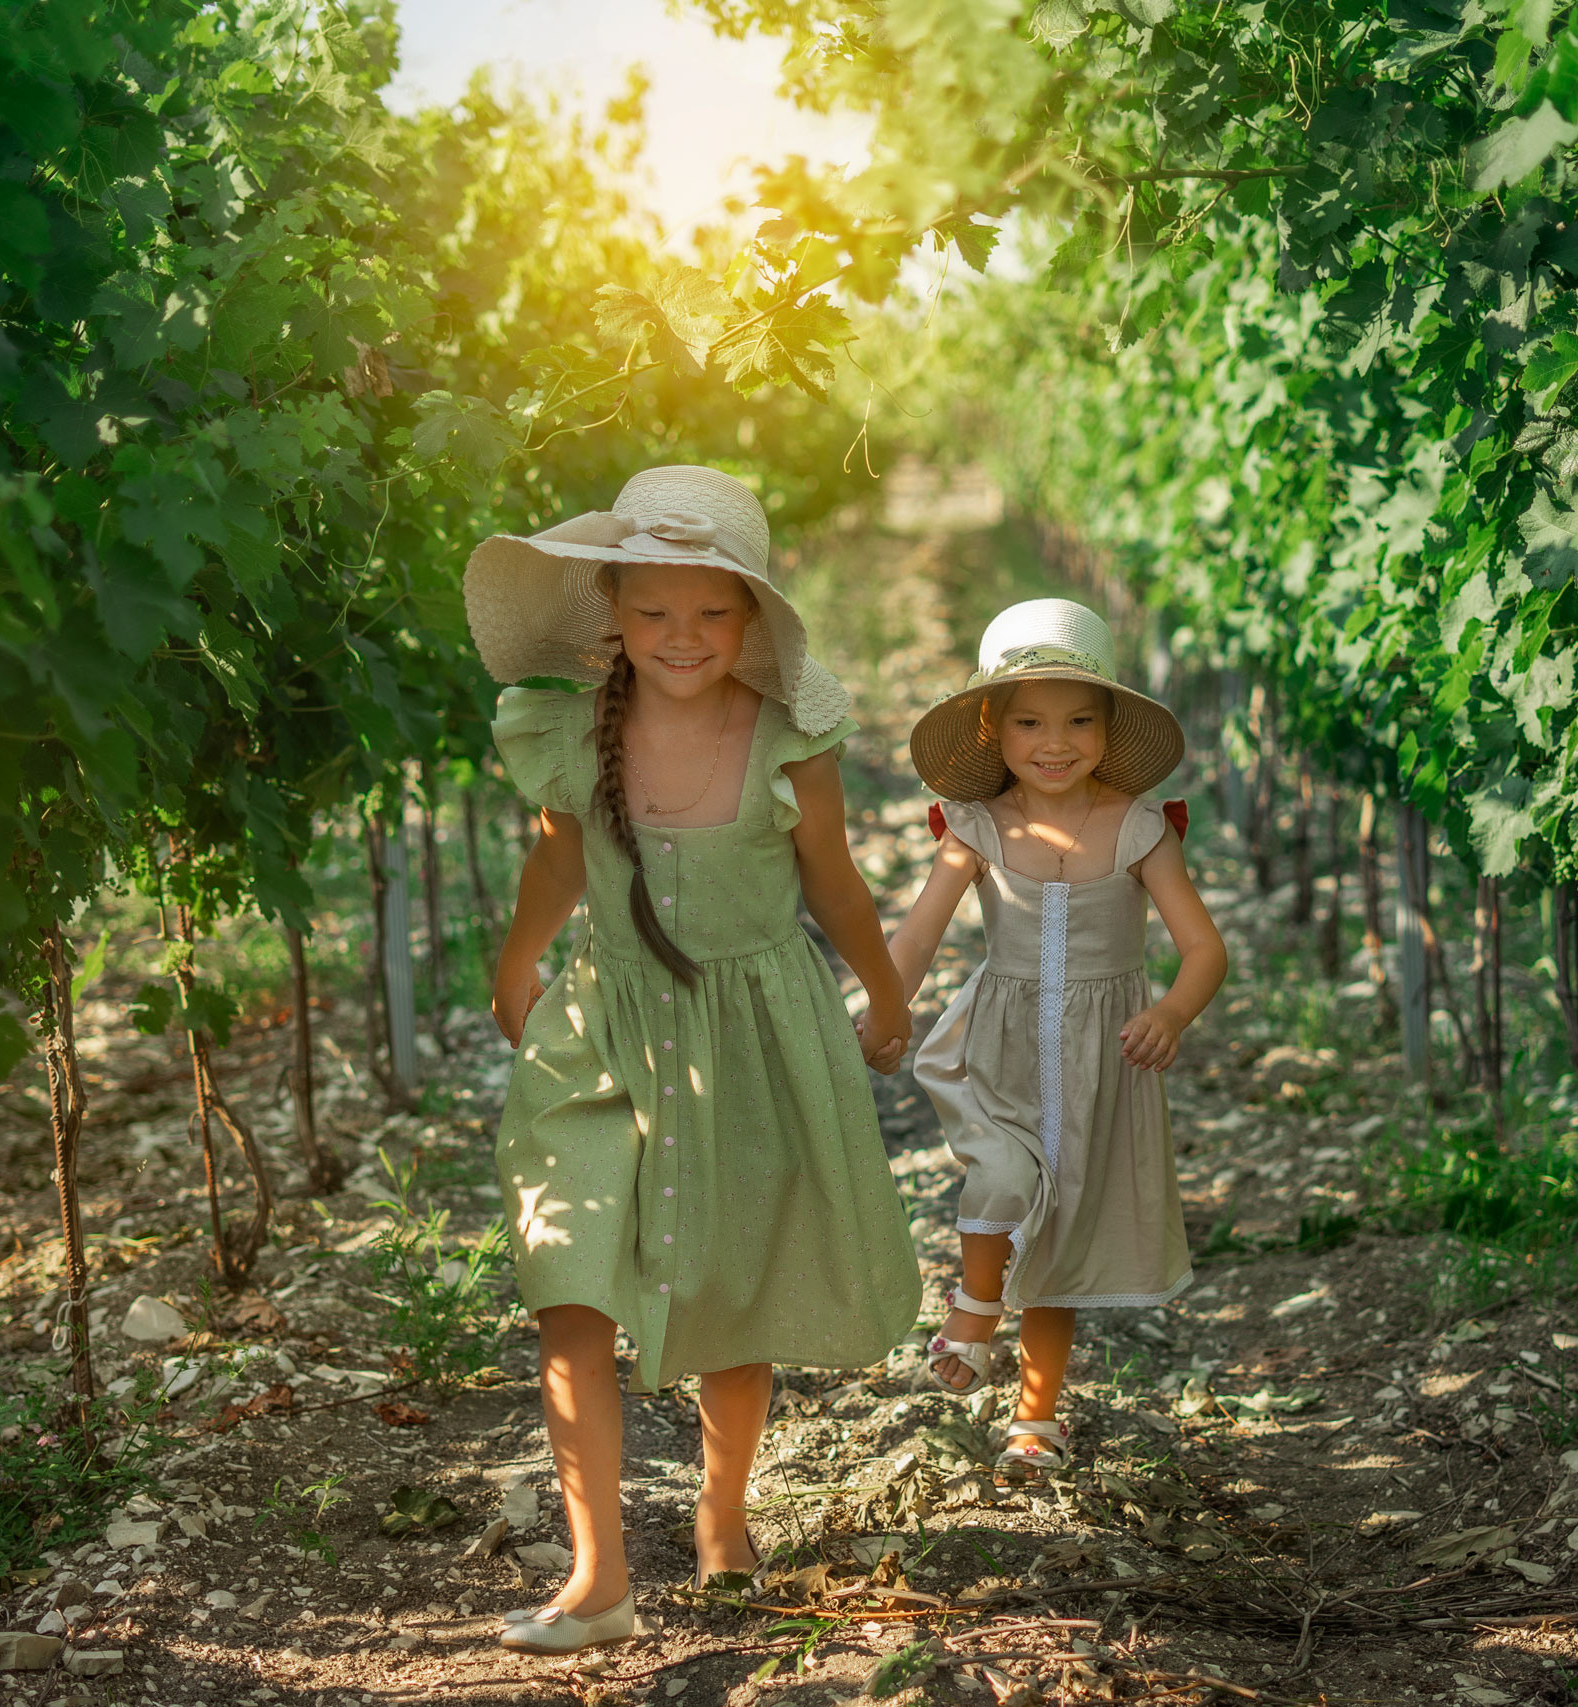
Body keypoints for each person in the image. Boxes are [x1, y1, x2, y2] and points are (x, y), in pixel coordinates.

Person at [466, 465, 919, 1654]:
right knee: (566, 1285)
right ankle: (596, 1574)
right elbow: (560, 861)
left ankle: (723, 1513)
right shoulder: (568, 730)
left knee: (731, 1290)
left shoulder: (783, 738)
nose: (681, 637)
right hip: (600, 1030)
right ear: (612, 611)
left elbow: (831, 878)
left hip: (748, 1028)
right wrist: (517, 966)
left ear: (751, 622)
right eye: (655, 612)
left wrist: (883, 988)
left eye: (710, 614)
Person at [886, 598, 1229, 1478]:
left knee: (1062, 1236)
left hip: (1098, 1059)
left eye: (1080, 720)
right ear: (993, 728)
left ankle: (1035, 1417)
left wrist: (1171, 1013)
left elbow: (1202, 947)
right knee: (1002, 1174)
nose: (1055, 740)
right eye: (1031, 720)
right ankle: (971, 1307)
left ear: (1109, 728)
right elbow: (921, 931)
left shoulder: (1140, 827)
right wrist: (887, 1002)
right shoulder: (979, 826)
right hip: (1000, 1043)